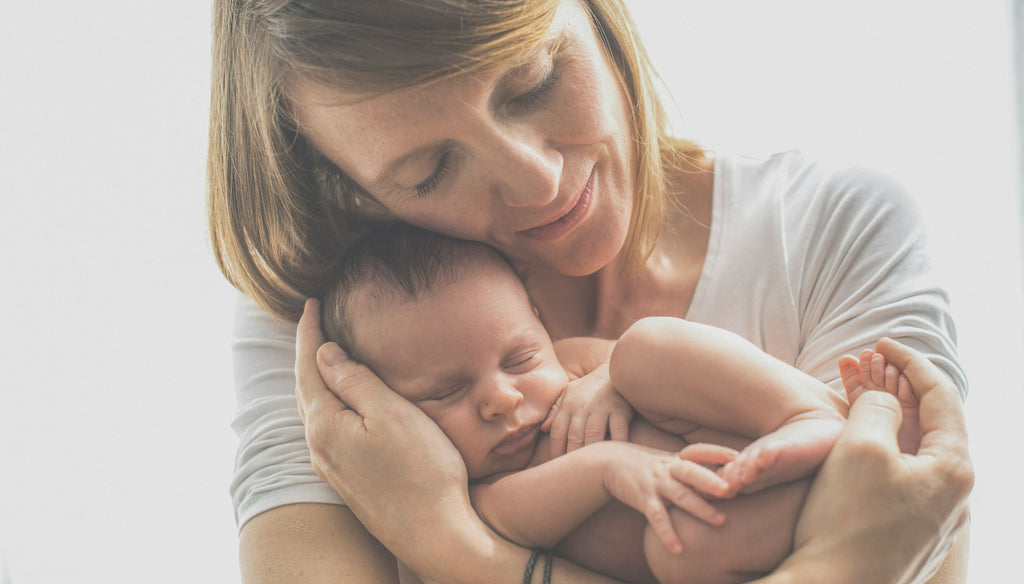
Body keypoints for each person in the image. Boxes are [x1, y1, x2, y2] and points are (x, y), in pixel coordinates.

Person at [207, 0, 972, 582]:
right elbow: (875, 543)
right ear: (340, 180)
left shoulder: (828, 229)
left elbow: (919, 523)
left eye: (534, 80)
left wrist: (457, 548)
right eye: (426, 172)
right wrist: (841, 560)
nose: (536, 179)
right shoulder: (340, 326)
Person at [317, 224, 849, 583]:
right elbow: (515, 526)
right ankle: (826, 493)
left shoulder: (571, 361)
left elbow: (653, 368)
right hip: (734, 523)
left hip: (750, 442)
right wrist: (609, 465)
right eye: (446, 392)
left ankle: (806, 416)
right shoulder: (474, 495)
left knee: (645, 349)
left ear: (539, 318)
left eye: (521, 357)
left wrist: (609, 379)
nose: (503, 398)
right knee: (681, 549)